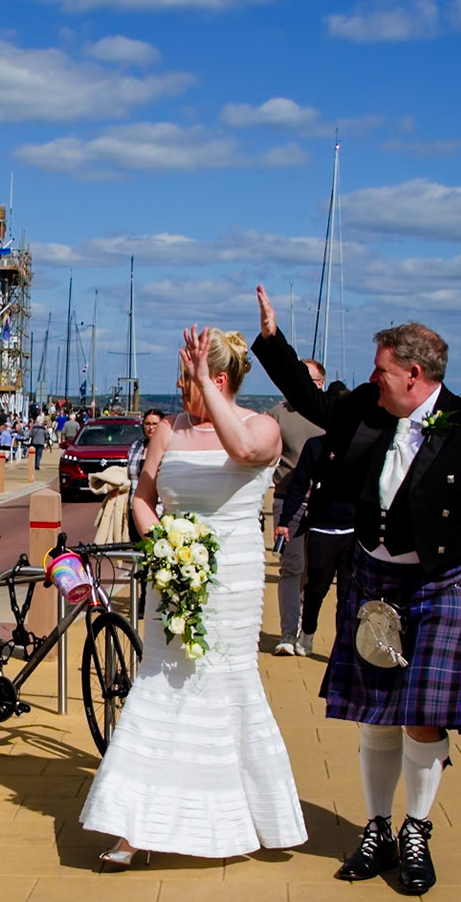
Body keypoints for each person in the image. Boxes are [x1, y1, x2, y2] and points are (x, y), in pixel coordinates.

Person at [251, 286, 461, 897]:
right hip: (374, 576)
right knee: (374, 713)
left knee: (425, 717)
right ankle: (377, 828)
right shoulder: (369, 413)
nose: (372, 380)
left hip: (442, 579)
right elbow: (309, 398)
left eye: (381, 371)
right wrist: (272, 339)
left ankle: (417, 829)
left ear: (414, 373)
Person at [81, 327, 306, 864]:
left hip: (233, 576)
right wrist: (160, 542)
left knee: (225, 682)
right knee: (161, 682)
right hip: (173, 572)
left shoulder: (263, 427)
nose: (180, 391)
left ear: (219, 379)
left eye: (189, 380)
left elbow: (246, 450)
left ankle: (242, 814)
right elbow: (143, 497)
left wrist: (207, 383)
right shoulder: (171, 430)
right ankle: (134, 828)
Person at [274, 432, 353, 655]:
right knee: (316, 587)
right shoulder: (315, 445)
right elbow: (298, 485)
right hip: (321, 527)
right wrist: (285, 520)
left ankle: (343, 645)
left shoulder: (364, 444)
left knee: (347, 592)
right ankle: (307, 631)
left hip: (353, 530)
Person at [269, 360, 328, 655]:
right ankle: (287, 634)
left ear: (320, 383)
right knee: (291, 568)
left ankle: (307, 627)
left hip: (325, 504)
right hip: (286, 501)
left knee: (314, 572)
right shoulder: (278, 414)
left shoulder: (330, 412)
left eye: (308, 378)